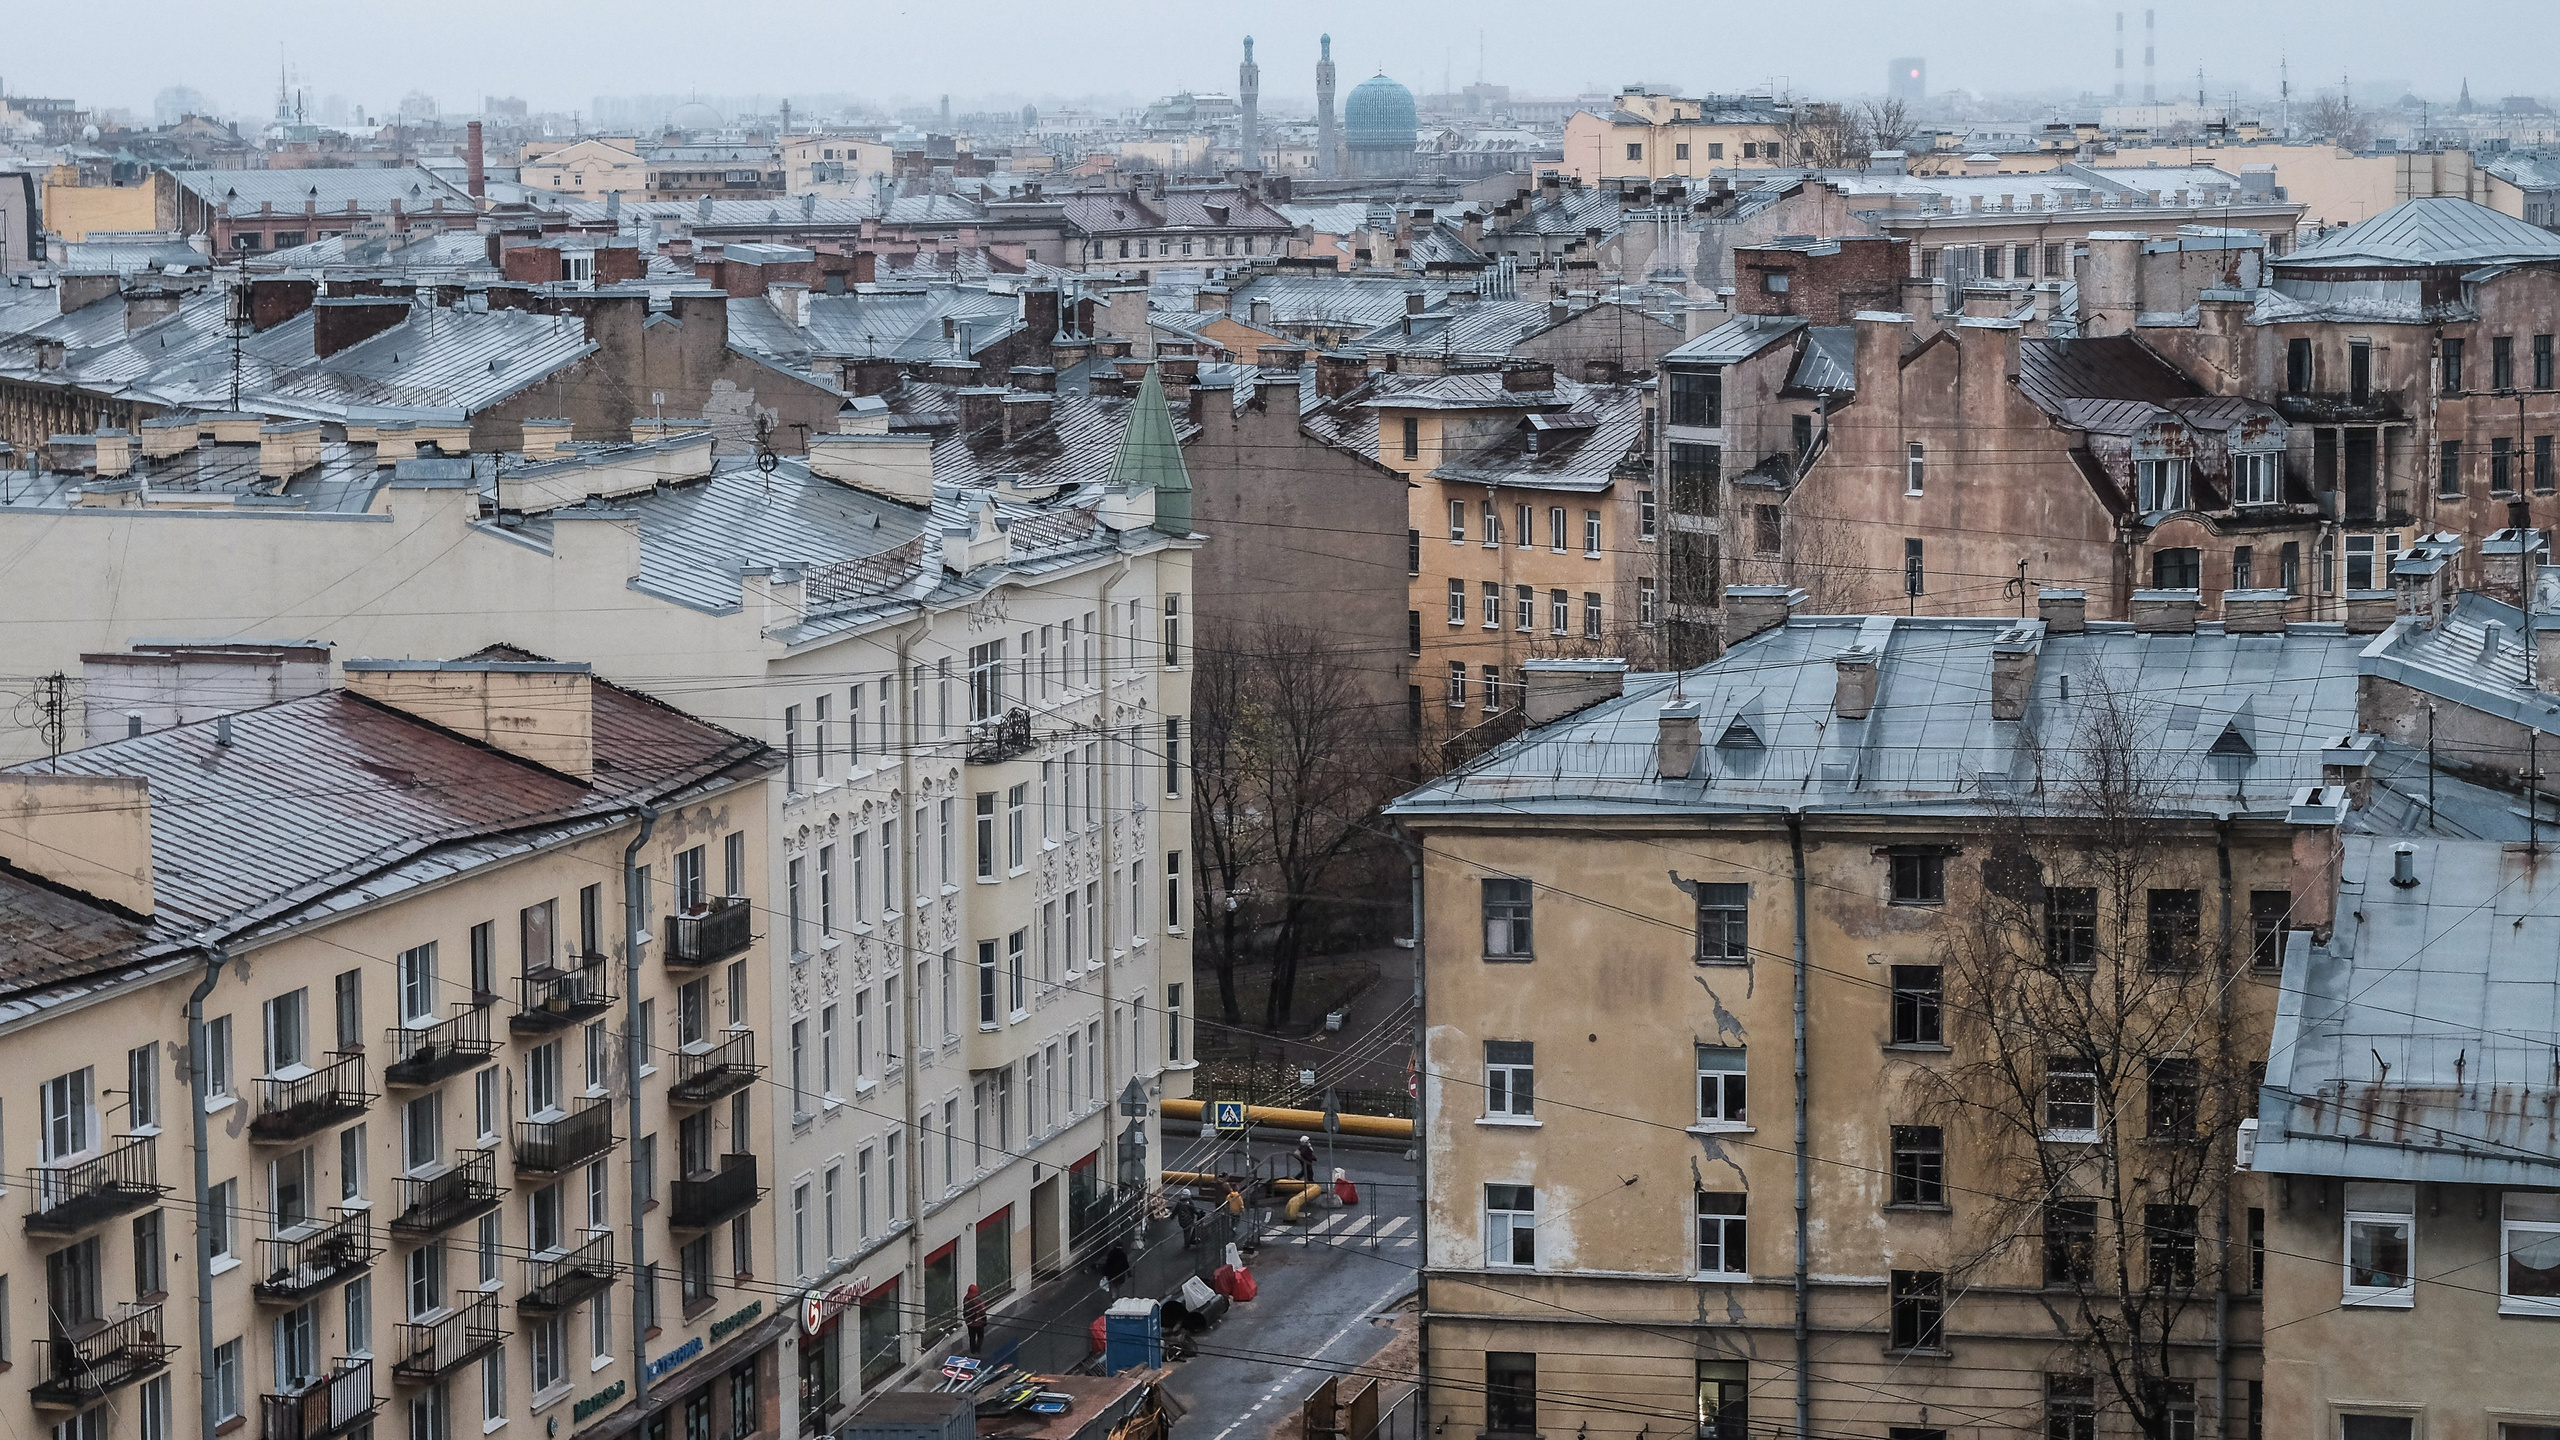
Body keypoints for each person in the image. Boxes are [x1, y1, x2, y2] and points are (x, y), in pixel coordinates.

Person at [963, 1283, 988, 1354]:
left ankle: (972, 1351)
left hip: (969, 1322)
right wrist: (984, 1320)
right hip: (979, 1322)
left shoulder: (965, 1299)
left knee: (972, 1337)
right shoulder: (978, 1300)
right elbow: (983, 1310)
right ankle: (978, 1349)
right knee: (980, 1336)